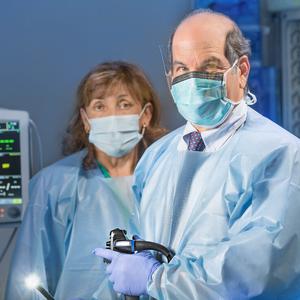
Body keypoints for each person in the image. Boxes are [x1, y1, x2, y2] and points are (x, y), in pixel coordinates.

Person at [95, 10, 300, 299]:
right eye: (181, 69)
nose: (193, 79)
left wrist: (156, 279)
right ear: (170, 77)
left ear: (241, 71)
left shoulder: (281, 156)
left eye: (210, 65)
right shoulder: (156, 158)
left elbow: (256, 271)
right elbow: (143, 245)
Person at [6, 61, 166, 300]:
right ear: (86, 118)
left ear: (146, 115)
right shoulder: (54, 186)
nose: (112, 116)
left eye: (124, 104)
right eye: (99, 106)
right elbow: (27, 281)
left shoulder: (166, 179)